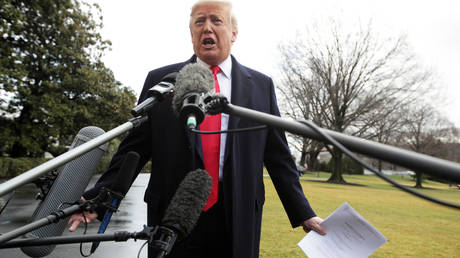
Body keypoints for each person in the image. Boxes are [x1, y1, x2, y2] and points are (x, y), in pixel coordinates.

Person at [68, 0, 326, 257]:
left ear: (234, 33)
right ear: (191, 31)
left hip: (237, 212)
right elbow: (133, 149)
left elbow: (278, 157)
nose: (207, 28)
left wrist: (304, 212)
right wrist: (100, 200)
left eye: (217, 20)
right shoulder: (161, 82)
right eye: (199, 21)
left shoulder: (260, 86)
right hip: (173, 212)